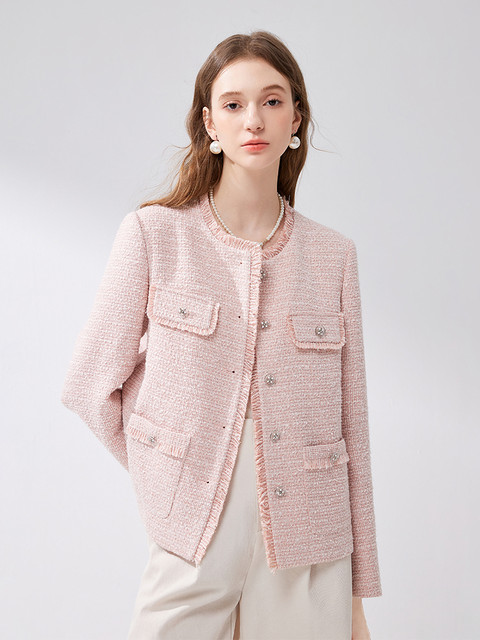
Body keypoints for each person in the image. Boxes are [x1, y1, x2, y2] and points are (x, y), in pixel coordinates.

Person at [61, 30, 382, 639]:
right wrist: (170, 474)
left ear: (296, 119)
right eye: (233, 104)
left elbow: (353, 428)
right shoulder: (155, 235)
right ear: (209, 123)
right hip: (194, 530)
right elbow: (88, 386)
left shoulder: (333, 256)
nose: (253, 119)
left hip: (311, 542)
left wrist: (359, 596)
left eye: (272, 101)